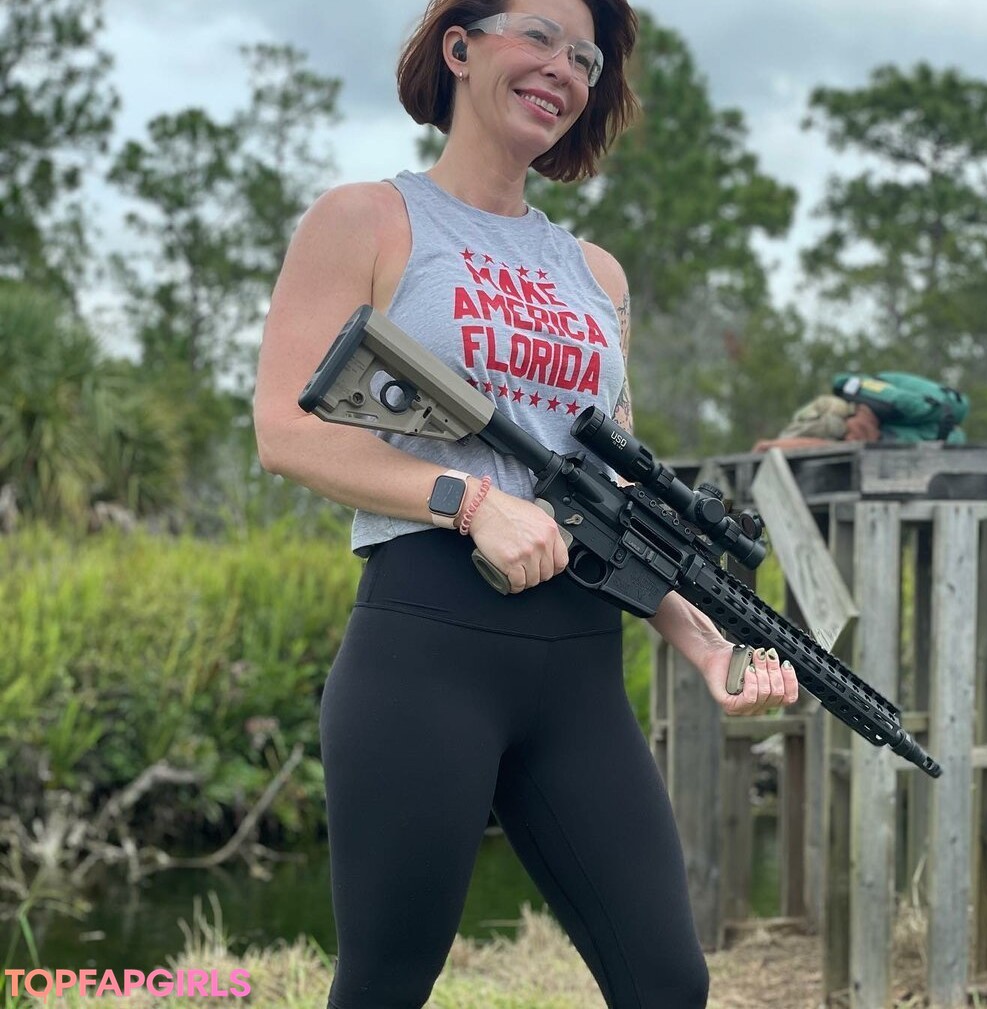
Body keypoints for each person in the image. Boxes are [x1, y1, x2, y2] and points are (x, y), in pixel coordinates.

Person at [253, 0, 799, 1005]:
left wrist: (707, 644)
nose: (565, 68)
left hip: (581, 671)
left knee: (668, 983)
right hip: (427, 651)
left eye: (584, 57)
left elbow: (615, 499)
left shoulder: (595, 275)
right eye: (538, 35)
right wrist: (468, 501)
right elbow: (287, 428)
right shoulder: (368, 219)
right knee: (386, 981)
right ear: (459, 46)